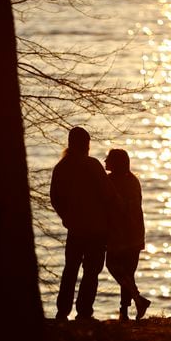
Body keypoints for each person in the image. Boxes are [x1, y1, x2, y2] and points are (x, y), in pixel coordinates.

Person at [50, 127, 111, 321]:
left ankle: (62, 311)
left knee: (71, 269)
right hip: (96, 228)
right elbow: (108, 194)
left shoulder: (61, 167)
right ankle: (84, 312)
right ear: (86, 144)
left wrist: (66, 217)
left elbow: (55, 198)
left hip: (75, 228)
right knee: (91, 271)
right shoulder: (92, 165)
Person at [104, 148, 151, 321]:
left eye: (108, 159)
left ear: (116, 163)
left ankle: (132, 304)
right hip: (135, 234)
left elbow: (116, 207)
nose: (105, 162)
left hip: (121, 235)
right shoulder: (133, 181)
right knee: (127, 273)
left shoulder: (111, 182)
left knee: (115, 267)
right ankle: (126, 309)